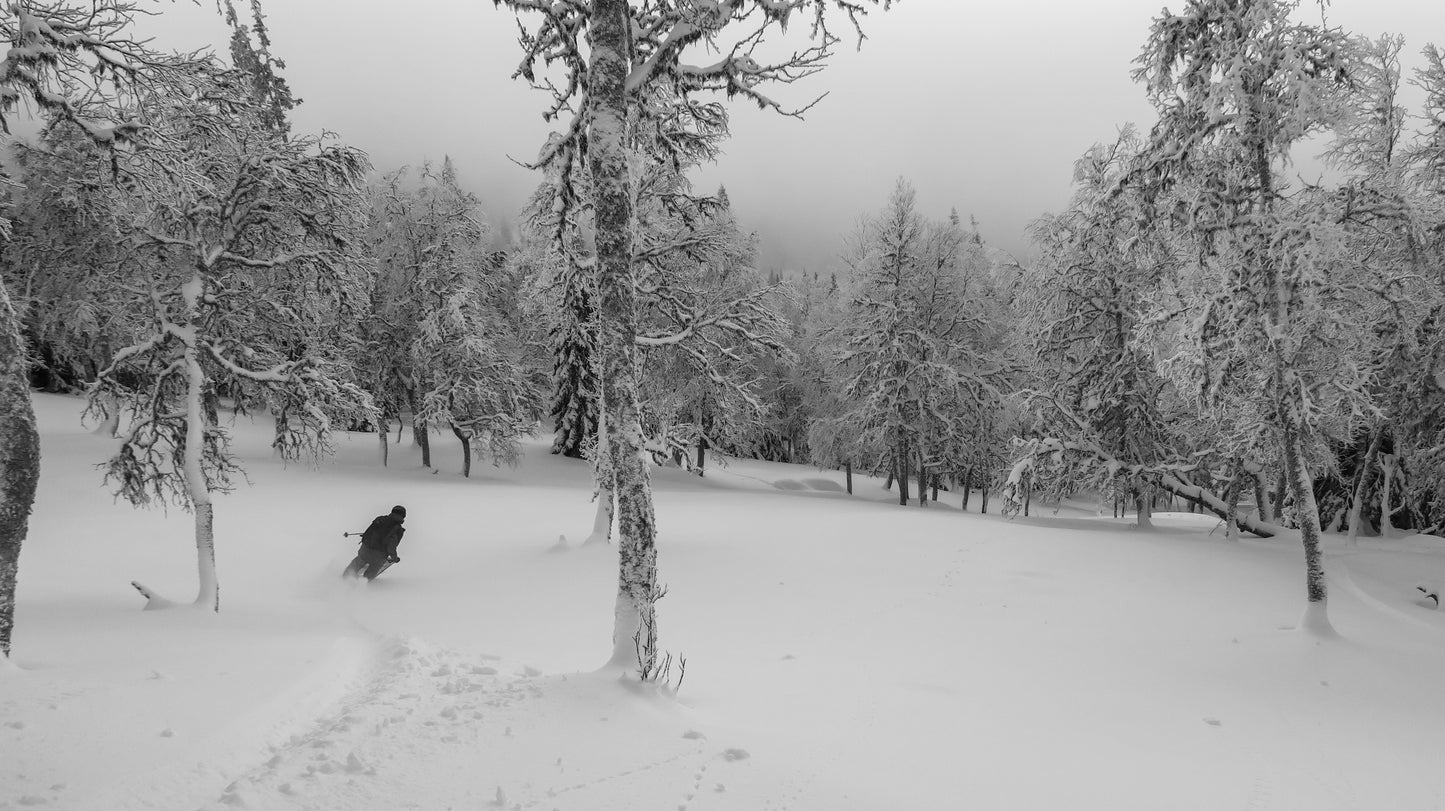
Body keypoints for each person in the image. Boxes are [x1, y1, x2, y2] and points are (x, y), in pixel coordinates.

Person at [344, 505, 407, 581]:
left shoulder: (380, 519)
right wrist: (394, 558)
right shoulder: (398, 529)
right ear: (403, 516)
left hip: (365, 548)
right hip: (379, 555)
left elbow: (369, 531)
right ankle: (362, 584)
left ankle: (345, 577)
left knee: (358, 562)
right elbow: (391, 547)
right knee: (373, 568)